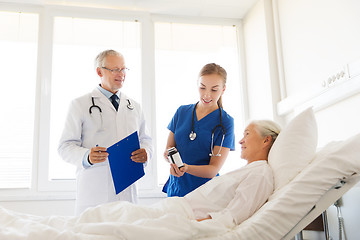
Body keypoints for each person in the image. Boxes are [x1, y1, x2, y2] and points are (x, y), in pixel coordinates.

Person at [0, 120, 280, 239]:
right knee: (106, 214)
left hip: (181, 217)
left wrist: (200, 226)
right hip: (175, 208)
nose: (240, 140)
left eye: (247, 134)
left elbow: (234, 216)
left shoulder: (260, 173)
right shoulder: (249, 170)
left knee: (115, 224)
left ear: (266, 140)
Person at [58, 49, 153, 215]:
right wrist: (86, 156)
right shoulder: (79, 104)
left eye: (123, 69)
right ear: (99, 71)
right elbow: (65, 147)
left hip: (127, 191)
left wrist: (147, 153)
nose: (121, 74)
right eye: (115, 69)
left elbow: (146, 139)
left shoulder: (134, 106)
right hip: (94, 191)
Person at [163, 63, 236, 197]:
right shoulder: (181, 112)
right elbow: (168, 150)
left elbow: (213, 170)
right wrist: (172, 161)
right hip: (176, 190)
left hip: (204, 195)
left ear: (223, 89)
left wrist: (186, 168)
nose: (207, 95)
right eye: (202, 88)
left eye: (214, 90)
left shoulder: (225, 122)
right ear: (197, 84)